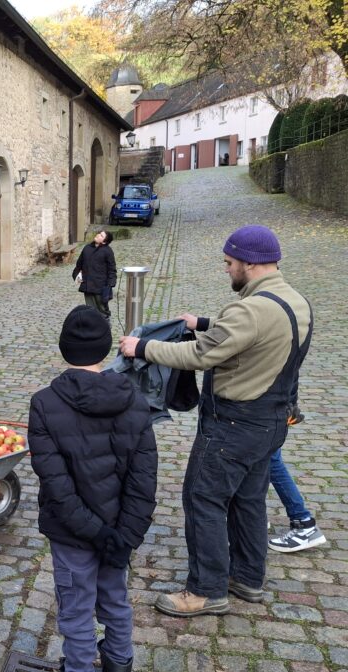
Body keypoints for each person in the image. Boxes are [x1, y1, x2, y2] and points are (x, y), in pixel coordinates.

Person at [119, 225, 312, 617]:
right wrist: (204, 322)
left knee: (203, 498)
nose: (226, 270)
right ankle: (248, 578)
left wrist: (142, 347)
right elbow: (255, 336)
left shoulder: (248, 310)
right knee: (248, 501)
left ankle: (205, 590)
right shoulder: (295, 301)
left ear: (249, 263)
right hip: (270, 422)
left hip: (233, 426)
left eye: (229, 262)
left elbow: (199, 356)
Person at [29, 306, 157, 672]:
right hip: (116, 532)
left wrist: (101, 533)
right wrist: (124, 536)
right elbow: (144, 478)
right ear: (104, 350)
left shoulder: (45, 404)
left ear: (64, 348)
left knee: (78, 612)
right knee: (116, 603)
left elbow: (57, 486)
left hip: (74, 534)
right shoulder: (134, 400)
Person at [268, 408, 325, 552]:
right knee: (264, 462)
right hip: (268, 411)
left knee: (272, 463)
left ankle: (303, 523)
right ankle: (253, 516)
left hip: (264, 412)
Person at [72, 230, 116, 319]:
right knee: (90, 310)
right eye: (99, 233)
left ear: (104, 242)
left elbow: (112, 269)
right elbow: (79, 265)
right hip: (87, 285)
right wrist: (77, 277)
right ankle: (93, 325)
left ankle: (105, 324)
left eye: (101, 235)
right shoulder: (87, 248)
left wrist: (110, 285)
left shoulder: (108, 251)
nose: (98, 235)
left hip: (100, 286)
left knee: (102, 311)